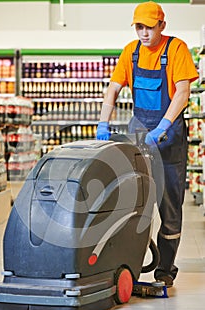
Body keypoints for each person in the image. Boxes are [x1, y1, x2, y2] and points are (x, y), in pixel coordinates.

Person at [96, 1, 198, 287]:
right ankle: (129, 262)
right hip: (139, 136)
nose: (143, 33)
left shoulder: (176, 49)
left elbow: (182, 91)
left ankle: (165, 268)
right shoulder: (131, 51)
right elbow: (114, 87)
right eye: (139, 27)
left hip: (169, 140)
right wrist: (103, 121)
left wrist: (164, 126)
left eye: (149, 27)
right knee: (132, 202)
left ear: (161, 26)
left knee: (169, 205)